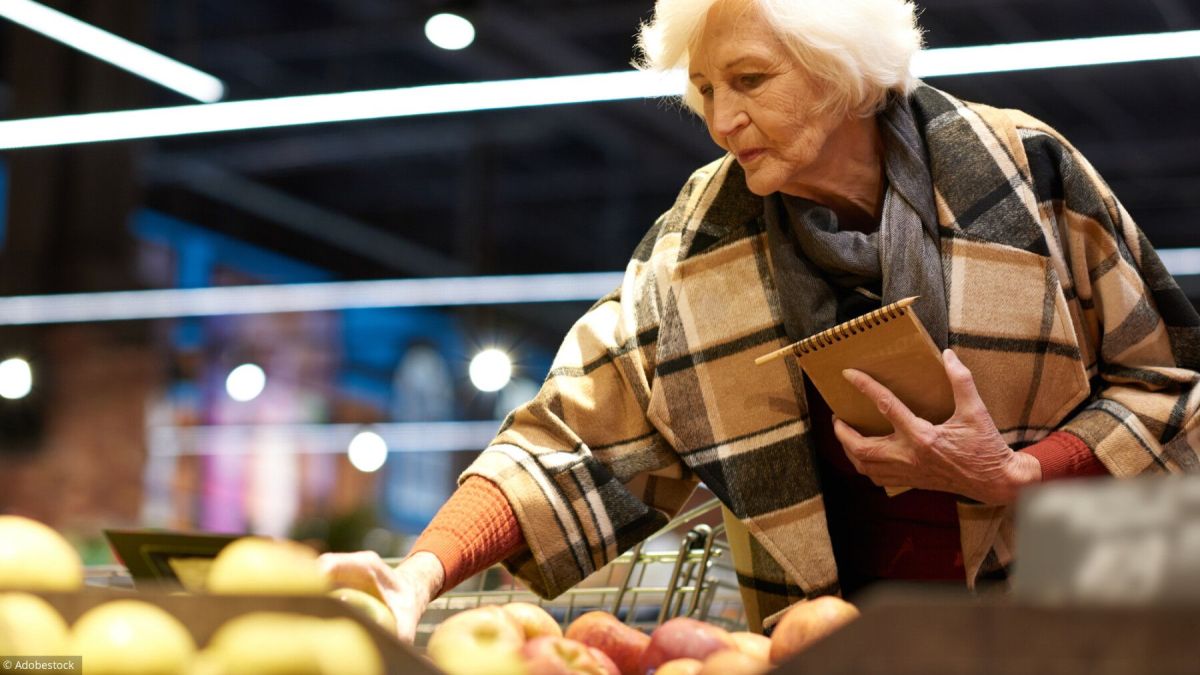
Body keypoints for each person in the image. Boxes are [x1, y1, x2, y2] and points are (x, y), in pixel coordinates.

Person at [321, 0, 1200, 640]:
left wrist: (1018, 472)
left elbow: (1168, 381)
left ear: (843, 72)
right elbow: (575, 437)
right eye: (702, 88)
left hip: (1066, 633)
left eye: (749, 80)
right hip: (827, 645)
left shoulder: (1023, 175)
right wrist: (421, 571)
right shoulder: (696, 247)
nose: (720, 119)